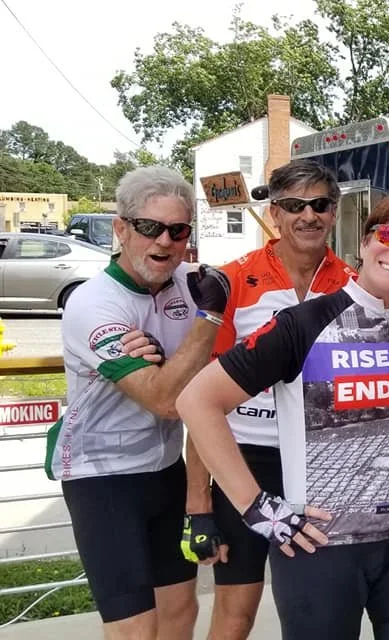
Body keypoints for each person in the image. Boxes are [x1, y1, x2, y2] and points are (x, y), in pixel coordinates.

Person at [178, 195, 389, 639]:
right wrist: (256, 507)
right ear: (365, 242)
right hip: (320, 545)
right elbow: (197, 401)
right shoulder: (302, 324)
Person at [44, 166, 232, 639]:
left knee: (180, 611)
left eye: (178, 230)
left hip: (163, 468)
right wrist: (210, 318)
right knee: (135, 629)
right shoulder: (94, 302)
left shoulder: (191, 283)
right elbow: (165, 399)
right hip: (101, 477)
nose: (164, 241)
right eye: (150, 227)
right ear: (121, 229)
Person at [179, 159, 354, 640]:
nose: (308, 216)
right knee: (235, 615)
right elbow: (201, 399)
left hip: (319, 466)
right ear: (274, 213)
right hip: (246, 461)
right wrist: (198, 505)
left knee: (318, 611)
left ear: (334, 212)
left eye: (319, 204)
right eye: (294, 205)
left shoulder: (353, 283)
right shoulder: (233, 279)